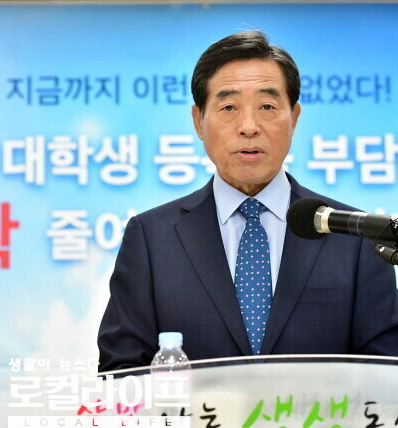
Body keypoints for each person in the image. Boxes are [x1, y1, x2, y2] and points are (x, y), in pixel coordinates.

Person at [97, 30, 398, 372]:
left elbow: (386, 373)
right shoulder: (151, 237)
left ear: (294, 118)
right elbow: (121, 370)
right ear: (198, 121)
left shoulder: (356, 234)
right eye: (229, 107)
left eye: (267, 107)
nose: (249, 126)